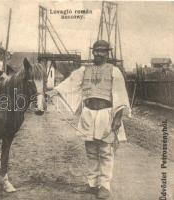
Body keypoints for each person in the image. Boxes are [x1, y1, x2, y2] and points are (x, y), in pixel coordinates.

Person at [49, 40, 131, 199]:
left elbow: (120, 96)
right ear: (92, 52)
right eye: (96, 51)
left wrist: (118, 118)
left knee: (106, 151)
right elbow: (70, 84)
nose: (99, 54)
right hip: (88, 114)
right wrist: (55, 91)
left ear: (108, 53)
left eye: (102, 51)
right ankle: (92, 184)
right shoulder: (83, 70)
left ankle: (105, 186)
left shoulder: (114, 71)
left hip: (106, 114)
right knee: (91, 150)